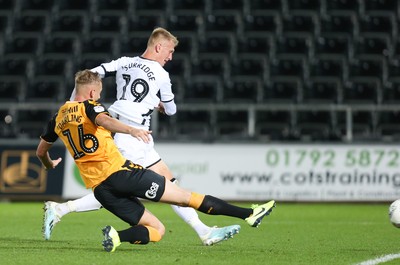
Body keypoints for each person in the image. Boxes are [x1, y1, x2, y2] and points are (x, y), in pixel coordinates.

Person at [37, 69, 275, 252]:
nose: (99, 97)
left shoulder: (56, 118)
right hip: (123, 174)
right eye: (98, 93)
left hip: (101, 190)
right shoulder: (91, 106)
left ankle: (116, 236)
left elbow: (41, 152)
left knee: (157, 230)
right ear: (91, 93)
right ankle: (248, 214)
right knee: (186, 198)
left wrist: (49, 164)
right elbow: (104, 121)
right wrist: (130, 130)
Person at [43, 27, 240, 246]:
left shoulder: (123, 62)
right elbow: (172, 110)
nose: (171, 56)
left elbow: (91, 73)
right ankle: (61, 208)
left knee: (168, 183)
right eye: (170, 50)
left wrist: (73, 104)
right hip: (129, 131)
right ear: (158, 46)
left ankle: (203, 231)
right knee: (113, 185)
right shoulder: (161, 74)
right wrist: (159, 105)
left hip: (138, 135)